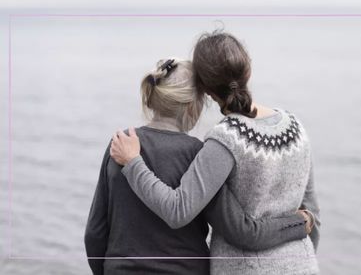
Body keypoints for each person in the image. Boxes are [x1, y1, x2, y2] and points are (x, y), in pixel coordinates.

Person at [85, 57, 314, 275]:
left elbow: (94, 233)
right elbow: (240, 230)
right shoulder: (198, 153)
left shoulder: (120, 145)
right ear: (192, 106)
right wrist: (299, 222)